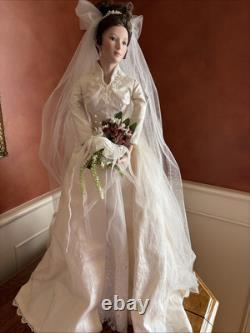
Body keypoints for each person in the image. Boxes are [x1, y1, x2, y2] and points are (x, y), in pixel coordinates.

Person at [13, 1, 199, 332]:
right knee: (90, 228)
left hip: (130, 160)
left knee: (138, 221)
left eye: (125, 42)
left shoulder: (131, 84)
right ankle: (92, 292)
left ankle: (132, 291)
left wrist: (126, 145)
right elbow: (76, 114)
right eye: (113, 39)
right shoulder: (83, 83)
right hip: (92, 156)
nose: (120, 46)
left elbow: (141, 114)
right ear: (99, 42)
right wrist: (96, 144)